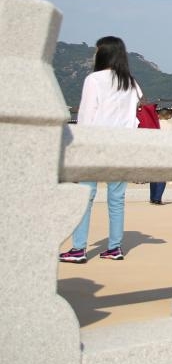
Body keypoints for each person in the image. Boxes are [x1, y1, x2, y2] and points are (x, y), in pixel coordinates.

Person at [60, 36, 143, 263]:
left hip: (96, 145)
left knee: (85, 197)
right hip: (122, 146)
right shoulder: (131, 83)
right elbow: (132, 118)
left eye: (97, 51)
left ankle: (79, 248)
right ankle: (114, 247)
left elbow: (87, 116)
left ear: (104, 53)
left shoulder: (94, 79)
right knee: (116, 198)